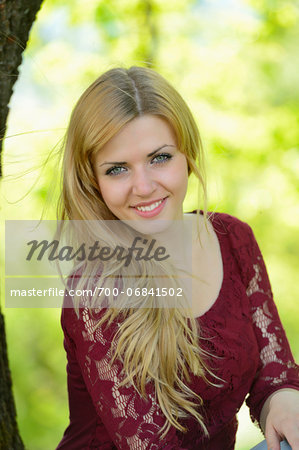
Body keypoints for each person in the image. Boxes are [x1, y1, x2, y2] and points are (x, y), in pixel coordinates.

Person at [56, 66, 299, 450]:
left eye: (159, 158)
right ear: (93, 181)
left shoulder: (234, 240)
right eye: (117, 169)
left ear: (186, 154)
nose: (143, 186)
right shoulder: (95, 291)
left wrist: (284, 403)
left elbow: (273, 370)